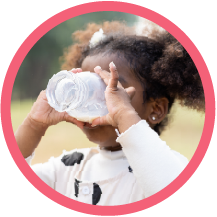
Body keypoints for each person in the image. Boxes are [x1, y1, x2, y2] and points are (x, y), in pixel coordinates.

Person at [15, 21, 205, 205]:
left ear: (155, 109)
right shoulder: (67, 168)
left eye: (112, 87)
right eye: (90, 85)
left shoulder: (167, 167)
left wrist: (124, 115)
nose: (94, 99)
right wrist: (33, 125)